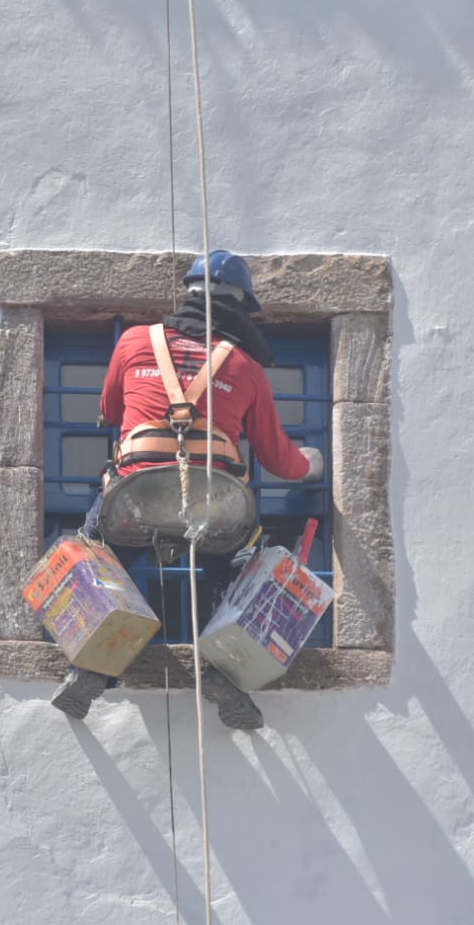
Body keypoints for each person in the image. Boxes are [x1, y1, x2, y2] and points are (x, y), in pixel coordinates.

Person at [52, 251, 325, 728]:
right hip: (215, 504)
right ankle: (225, 672)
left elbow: (112, 409)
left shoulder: (135, 342)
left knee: (94, 557)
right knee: (242, 572)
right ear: (240, 305)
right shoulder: (246, 367)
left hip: (136, 496)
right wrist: (311, 465)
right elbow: (279, 459)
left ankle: (91, 666)